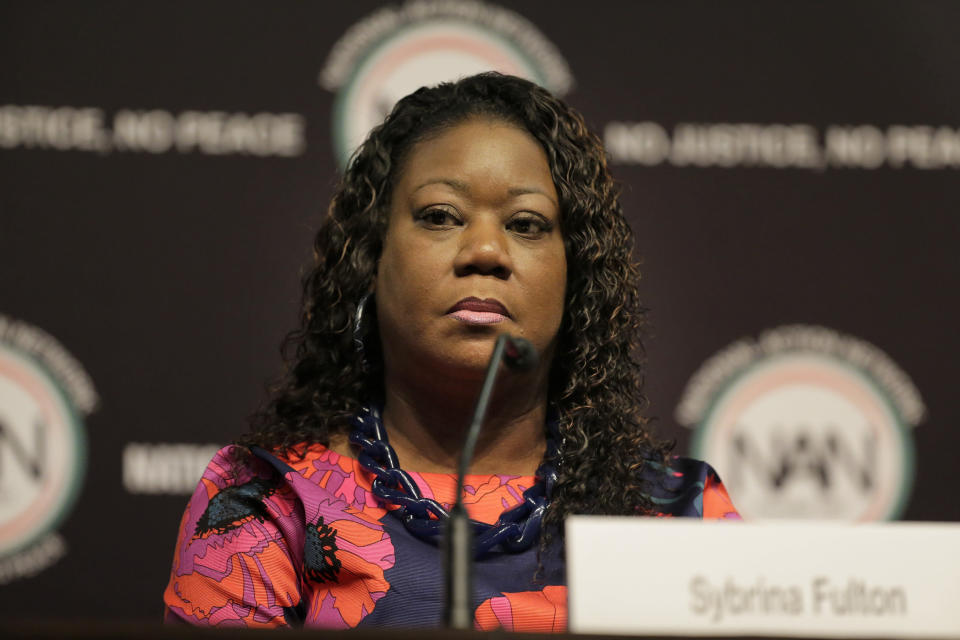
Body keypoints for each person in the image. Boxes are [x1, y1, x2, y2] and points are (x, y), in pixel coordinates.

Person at [163, 72, 739, 631]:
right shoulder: (268, 500)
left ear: (576, 278)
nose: (486, 250)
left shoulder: (679, 516)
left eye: (526, 223)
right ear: (370, 258)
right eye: (441, 216)